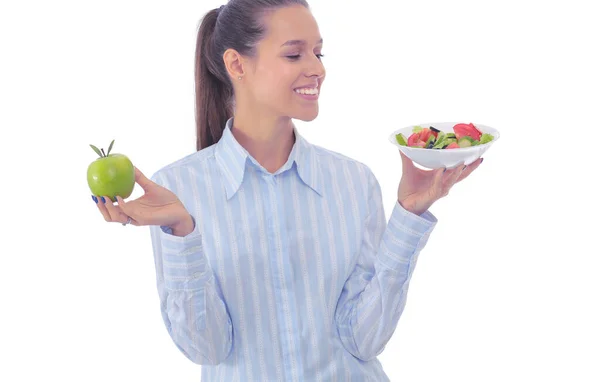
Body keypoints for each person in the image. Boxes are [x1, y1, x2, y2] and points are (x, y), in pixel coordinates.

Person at [92, 0, 483, 380]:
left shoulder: (353, 181)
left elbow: (365, 341)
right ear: (236, 64)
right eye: (294, 55)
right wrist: (182, 232)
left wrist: (408, 217)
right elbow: (206, 349)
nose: (317, 69)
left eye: (319, 53)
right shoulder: (177, 190)